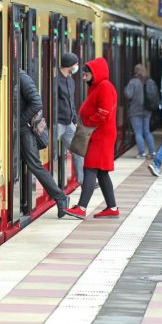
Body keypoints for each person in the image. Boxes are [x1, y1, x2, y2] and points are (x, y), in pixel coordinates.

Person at [62, 58, 119, 219]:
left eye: (86, 73)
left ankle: (81, 208)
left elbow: (104, 113)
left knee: (90, 168)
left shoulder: (105, 88)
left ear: (95, 73)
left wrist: (87, 121)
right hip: (98, 134)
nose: (84, 76)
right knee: (102, 173)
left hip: (101, 135)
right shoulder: (97, 87)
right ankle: (112, 208)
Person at [18, 69, 69, 216]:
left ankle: (61, 197)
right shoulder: (17, 77)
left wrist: (19, 122)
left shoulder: (22, 78)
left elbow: (37, 103)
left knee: (35, 165)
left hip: (24, 131)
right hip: (19, 130)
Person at [56, 53, 84, 194]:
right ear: (70, 66)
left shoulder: (70, 80)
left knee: (78, 150)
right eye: (75, 64)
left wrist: (75, 119)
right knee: (47, 150)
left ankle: (83, 181)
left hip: (68, 122)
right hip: (57, 122)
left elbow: (71, 102)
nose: (77, 67)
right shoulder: (56, 80)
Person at [124, 64, 156, 159]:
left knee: (138, 132)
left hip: (135, 111)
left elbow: (128, 95)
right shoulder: (149, 81)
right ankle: (152, 152)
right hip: (147, 111)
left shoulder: (133, 82)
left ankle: (141, 153)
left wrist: (125, 90)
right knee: (146, 131)